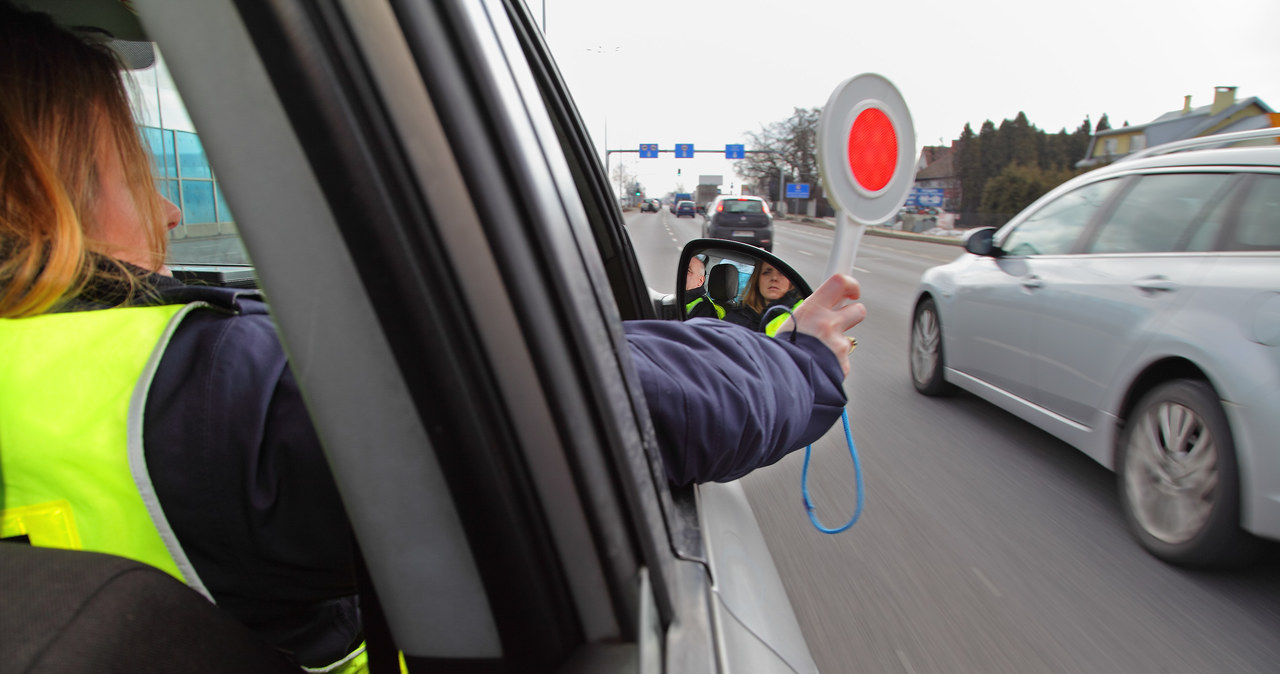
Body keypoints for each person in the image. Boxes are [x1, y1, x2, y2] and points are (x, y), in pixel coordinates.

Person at [0, 2, 864, 667]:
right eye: (129, 170)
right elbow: (601, 403)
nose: (169, 206)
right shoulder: (202, 400)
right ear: (36, 193)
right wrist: (806, 360)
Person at [725, 260, 805, 335]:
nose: (774, 278)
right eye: (766, 272)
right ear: (757, 280)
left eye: (781, 273)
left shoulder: (801, 312)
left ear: (791, 281)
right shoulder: (735, 319)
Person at [683, 254, 724, 319]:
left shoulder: (704, 308)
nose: (681, 273)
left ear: (700, 281)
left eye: (687, 271)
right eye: (680, 269)